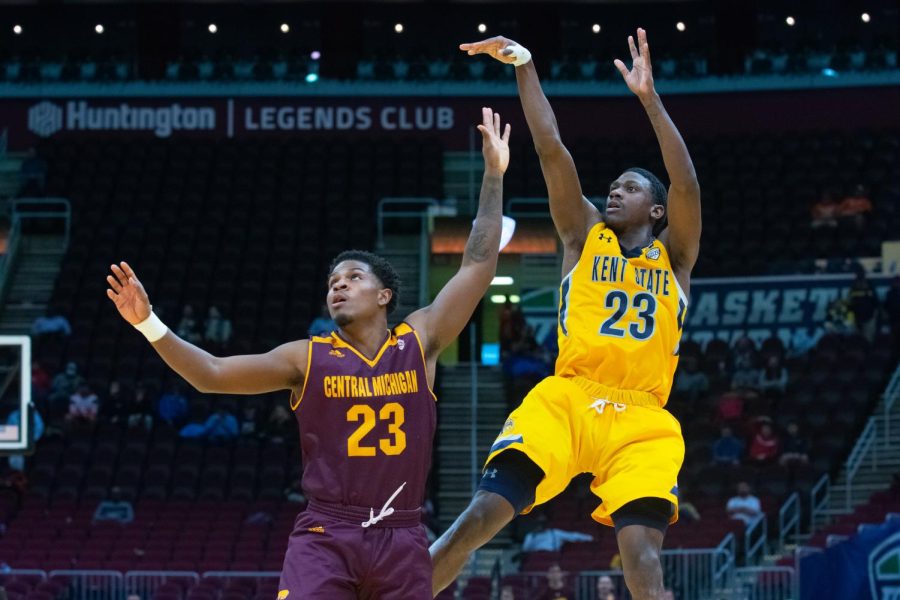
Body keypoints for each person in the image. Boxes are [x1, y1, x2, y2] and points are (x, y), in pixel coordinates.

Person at [106, 106, 511, 600]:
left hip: (402, 533)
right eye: (332, 282)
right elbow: (211, 373)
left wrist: (493, 174)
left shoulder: (419, 340)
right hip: (328, 534)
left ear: (385, 295)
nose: (339, 286)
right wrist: (148, 322)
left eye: (354, 278)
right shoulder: (306, 358)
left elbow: (477, 265)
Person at [432, 29, 701, 600]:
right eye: (613, 186)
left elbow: (687, 184)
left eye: (629, 188)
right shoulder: (582, 237)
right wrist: (524, 64)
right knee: (480, 516)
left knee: (642, 556)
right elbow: (552, 148)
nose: (614, 192)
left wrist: (649, 99)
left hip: (643, 420)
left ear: (655, 209)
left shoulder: (675, 257)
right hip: (569, 397)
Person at [520, 514, 593, 553]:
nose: (541, 526)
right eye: (539, 524)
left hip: (551, 557)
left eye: (543, 523)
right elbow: (525, 549)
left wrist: (589, 538)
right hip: (537, 557)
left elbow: (572, 536)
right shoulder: (531, 535)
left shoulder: (554, 532)